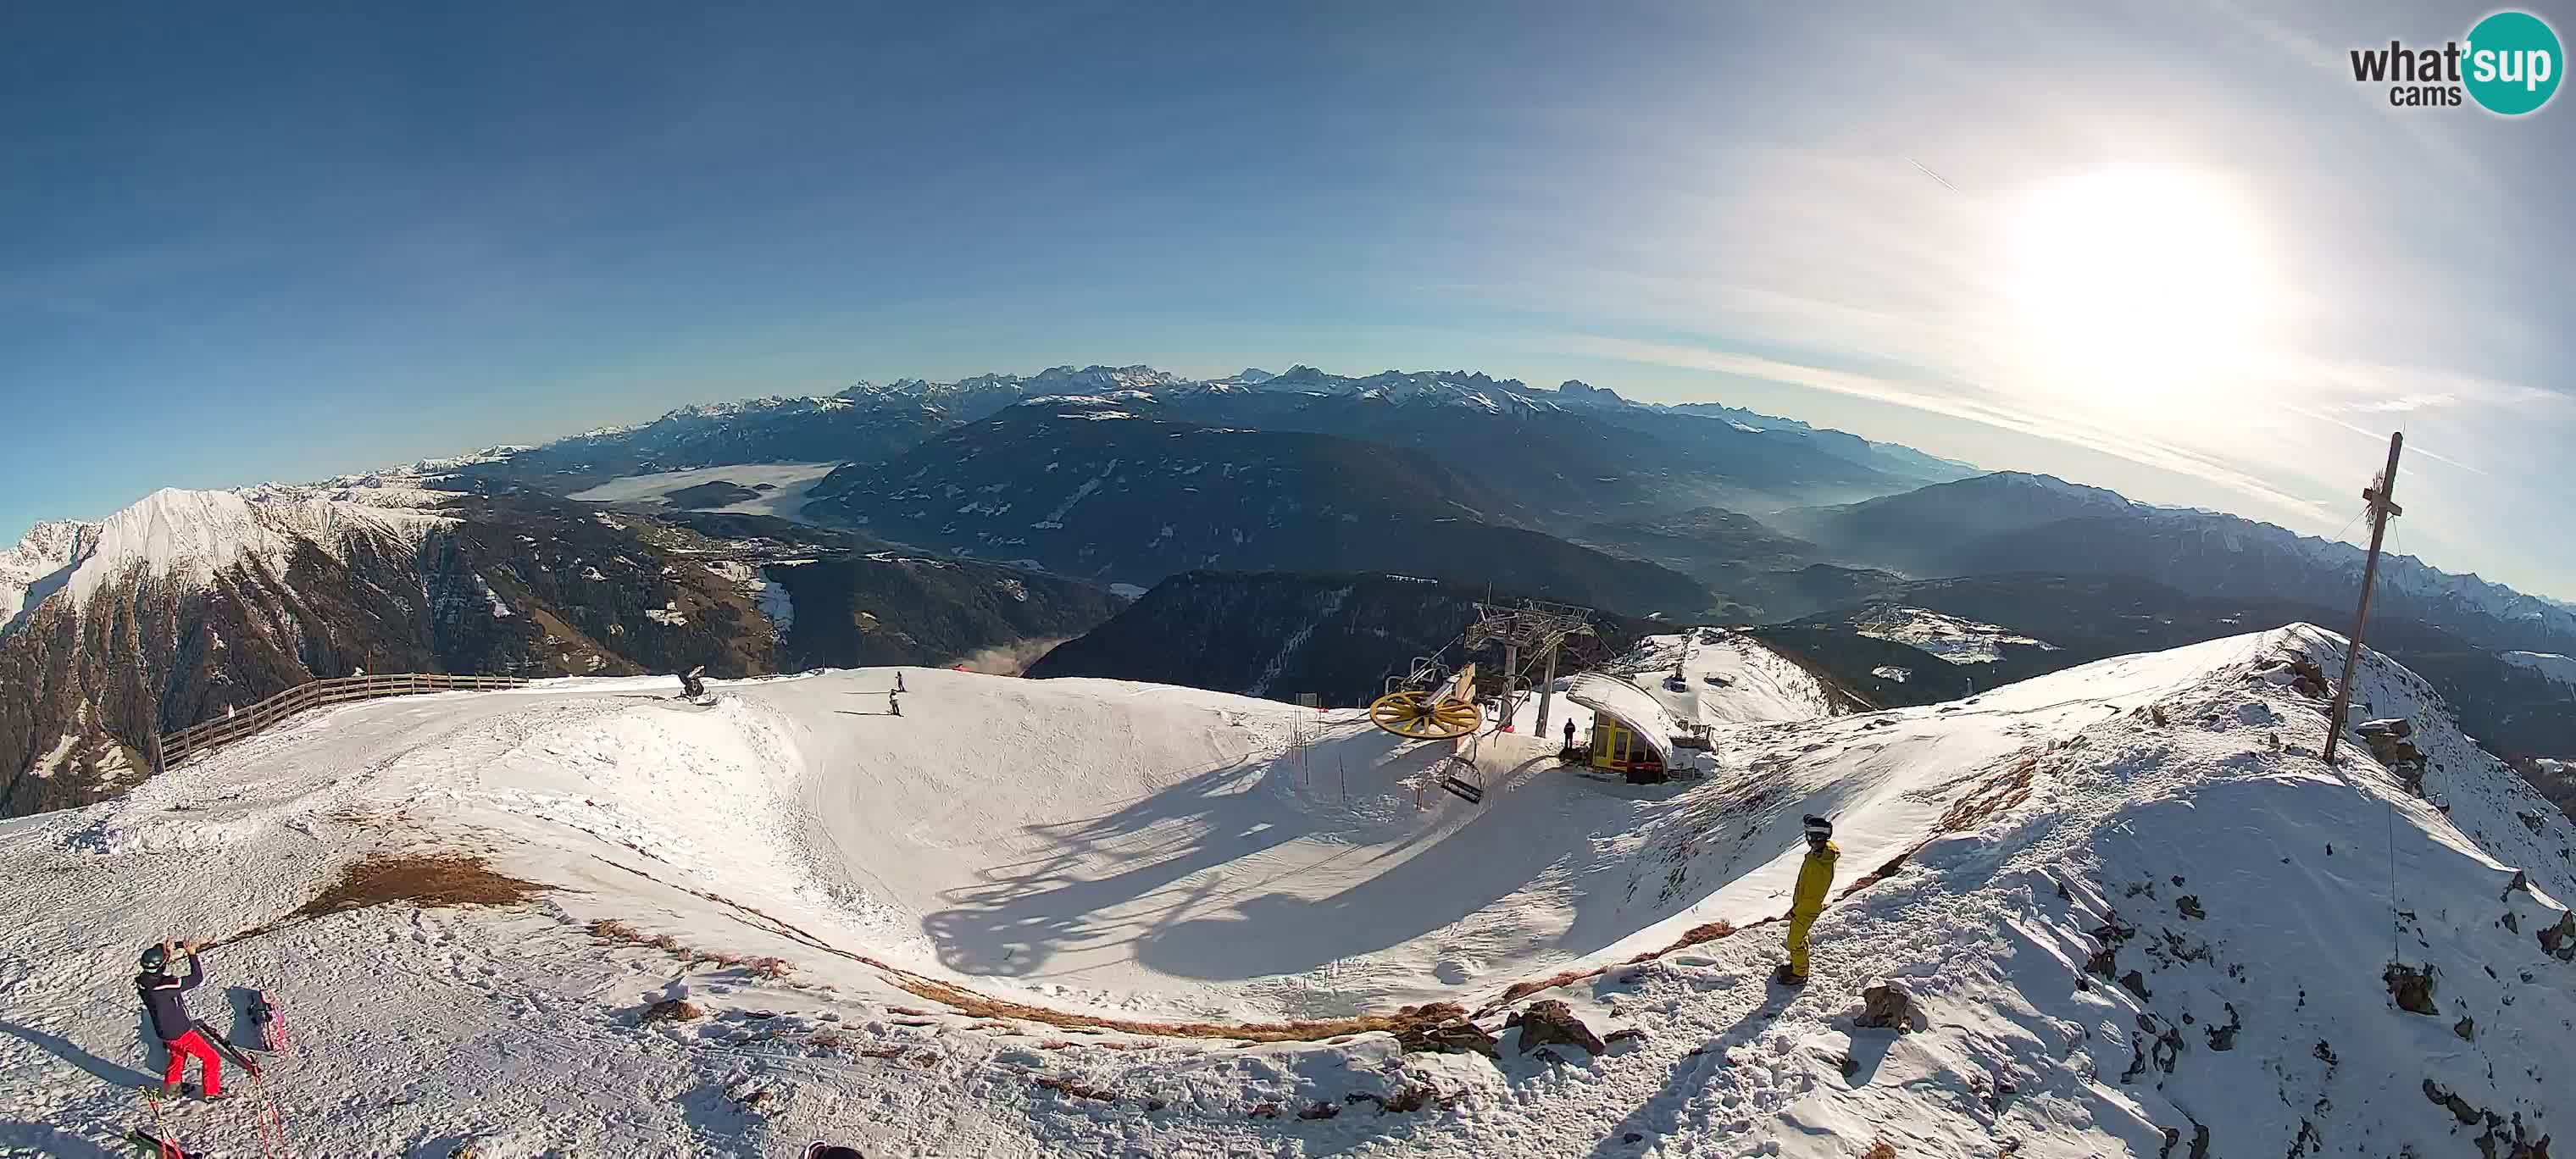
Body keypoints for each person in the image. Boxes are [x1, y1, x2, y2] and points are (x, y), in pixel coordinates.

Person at [136, 940, 223, 1099]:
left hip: (163, 1031)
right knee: (211, 1058)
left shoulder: (143, 981)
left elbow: (159, 972)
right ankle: (212, 1091)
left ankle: (172, 1089)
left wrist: (168, 952)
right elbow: (196, 978)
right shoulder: (165, 986)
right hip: (179, 1031)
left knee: (178, 1055)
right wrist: (192, 954)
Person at [1777, 815, 1837, 986]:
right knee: (1799, 937)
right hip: (1805, 904)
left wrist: (1797, 910)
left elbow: (1813, 894)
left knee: (1795, 940)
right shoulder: (1821, 854)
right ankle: (1799, 966)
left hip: (1806, 907)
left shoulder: (1820, 862)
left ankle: (1800, 974)